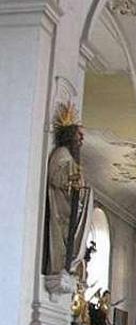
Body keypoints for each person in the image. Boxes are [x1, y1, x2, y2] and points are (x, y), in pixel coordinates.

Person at [46, 103, 93, 276]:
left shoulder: (70, 157)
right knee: (62, 240)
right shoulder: (61, 153)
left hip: (70, 206)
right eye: (79, 135)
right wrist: (71, 178)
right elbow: (55, 177)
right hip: (61, 207)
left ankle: (65, 266)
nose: (82, 139)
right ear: (70, 136)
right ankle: (59, 266)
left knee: (70, 242)